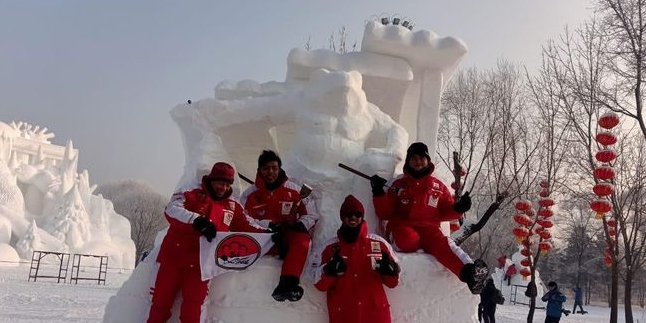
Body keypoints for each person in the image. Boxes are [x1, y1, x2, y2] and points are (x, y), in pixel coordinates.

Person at [147, 162, 268, 323]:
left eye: (226, 184)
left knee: (192, 309)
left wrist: (270, 234)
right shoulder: (191, 193)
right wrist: (197, 221)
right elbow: (171, 209)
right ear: (211, 180)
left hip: (201, 266)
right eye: (219, 182)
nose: (222, 187)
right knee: (159, 306)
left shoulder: (232, 207)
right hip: (172, 260)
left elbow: (249, 225)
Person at [371, 142, 488, 294]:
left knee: (442, 244)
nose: (418, 161)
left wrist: (459, 209)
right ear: (408, 161)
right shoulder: (399, 184)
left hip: (429, 229)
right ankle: (413, 242)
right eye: (414, 158)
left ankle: (469, 273)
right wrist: (378, 193)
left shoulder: (437, 186)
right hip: (402, 227)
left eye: (421, 158)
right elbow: (385, 213)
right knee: (407, 239)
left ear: (428, 161)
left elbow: (446, 211)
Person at [241, 150, 319, 302]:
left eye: (274, 168)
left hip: (288, 235)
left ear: (280, 169)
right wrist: (267, 225)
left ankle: (288, 284)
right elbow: (242, 219)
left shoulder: (295, 190)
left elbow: (312, 213)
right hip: (262, 238)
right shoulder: (249, 195)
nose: (270, 172)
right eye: (265, 168)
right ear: (259, 170)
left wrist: (301, 224)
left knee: (302, 240)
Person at [312, 195, 400, 323]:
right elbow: (318, 283)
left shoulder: (379, 243)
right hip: (344, 315)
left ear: (362, 217)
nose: (353, 217)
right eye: (349, 214)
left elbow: (393, 283)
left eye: (357, 214)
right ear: (342, 217)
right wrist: (329, 270)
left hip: (375, 315)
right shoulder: (329, 247)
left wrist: (390, 271)